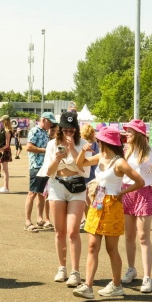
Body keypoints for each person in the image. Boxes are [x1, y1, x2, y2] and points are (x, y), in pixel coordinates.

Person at [72, 126, 144, 299]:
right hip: (97, 204)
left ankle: (117, 285)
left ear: (105, 142)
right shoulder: (100, 157)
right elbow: (80, 164)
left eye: (99, 140)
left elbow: (139, 181)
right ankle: (88, 286)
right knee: (92, 246)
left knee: (111, 249)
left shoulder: (119, 162)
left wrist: (121, 193)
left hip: (112, 205)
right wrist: (82, 151)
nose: (97, 142)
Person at [120, 119, 152, 294]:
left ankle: (147, 277)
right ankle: (131, 269)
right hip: (127, 193)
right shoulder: (127, 152)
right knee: (129, 235)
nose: (127, 134)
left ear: (139, 135)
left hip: (143, 193)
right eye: (127, 131)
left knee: (143, 236)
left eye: (130, 132)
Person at [42, 112, 88, 287]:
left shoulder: (82, 144)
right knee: (59, 230)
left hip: (76, 186)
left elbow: (84, 170)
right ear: (60, 130)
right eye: (65, 130)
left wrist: (73, 149)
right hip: (57, 186)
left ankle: (75, 271)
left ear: (76, 130)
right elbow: (48, 171)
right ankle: (62, 268)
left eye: (72, 130)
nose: (69, 133)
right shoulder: (52, 145)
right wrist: (57, 159)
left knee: (73, 231)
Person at [24, 113, 56, 231]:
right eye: (50, 122)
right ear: (43, 120)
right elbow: (29, 147)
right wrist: (46, 151)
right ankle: (27, 221)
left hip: (45, 166)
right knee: (32, 193)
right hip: (36, 166)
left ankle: (40, 218)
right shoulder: (35, 131)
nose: (51, 124)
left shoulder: (45, 132)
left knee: (42, 194)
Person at [0, 115, 13, 193]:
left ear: (5, 121)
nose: (1, 122)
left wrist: (0, 149)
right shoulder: (6, 130)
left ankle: (6, 187)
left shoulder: (7, 131)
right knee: (4, 169)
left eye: (2, 121)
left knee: (5, 170)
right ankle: (5, 187)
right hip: (5, 150)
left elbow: (7, 144)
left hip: (5, 151)